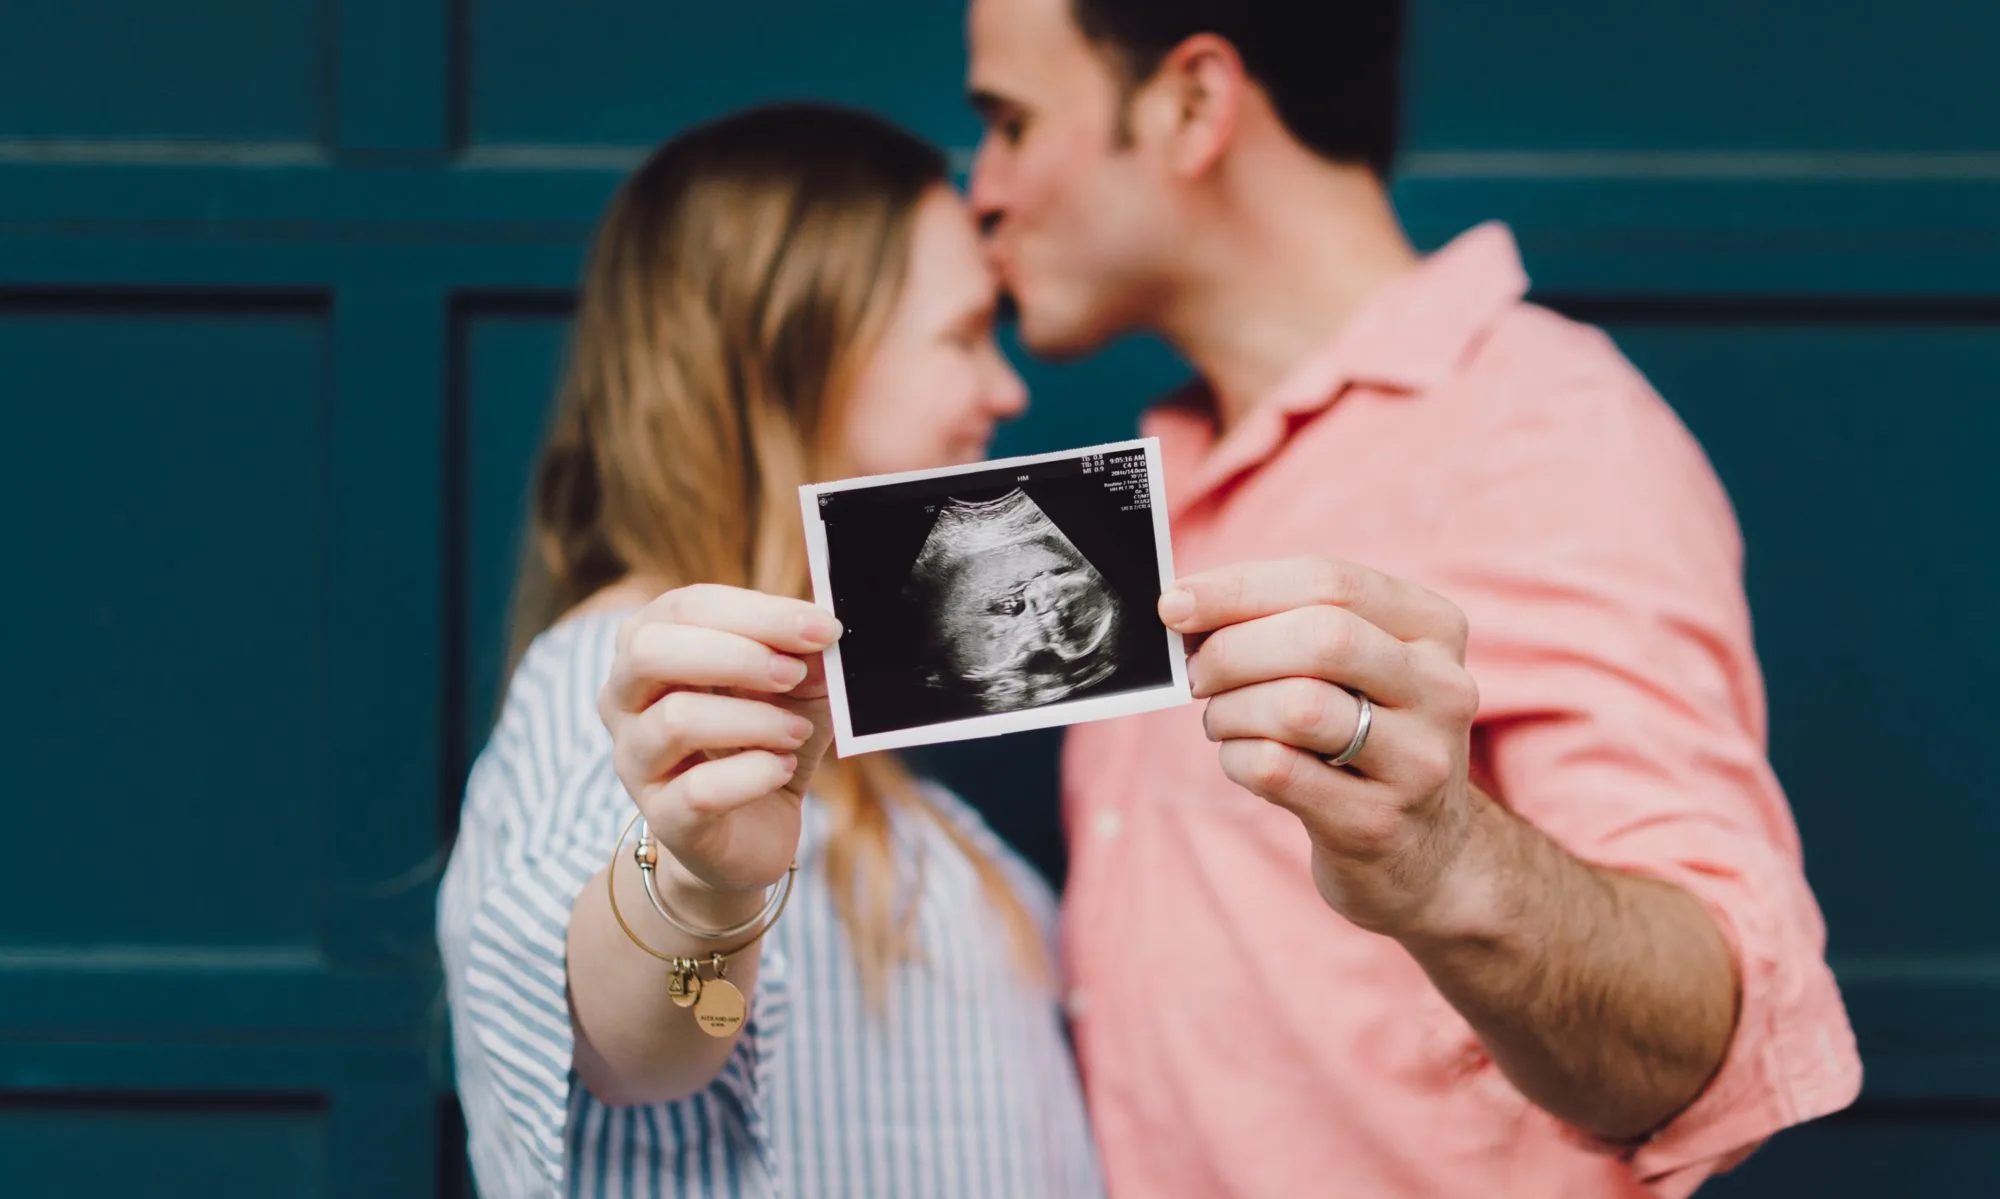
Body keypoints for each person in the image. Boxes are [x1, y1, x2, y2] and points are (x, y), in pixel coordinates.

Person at [956, 0, 1864, 1195]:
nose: (984, 189)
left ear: (1190, 104)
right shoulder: (1147, 489)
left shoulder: (1541, 432)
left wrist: (1444, 864)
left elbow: (1702, 1042)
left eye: (1012, 122)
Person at [436, 103, 1101, 1198]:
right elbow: (628, 1044)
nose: (1005, 388)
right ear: (794, 352)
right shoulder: (625, 687)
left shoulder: (848, 749)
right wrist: (699, 883)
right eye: (961, 334)